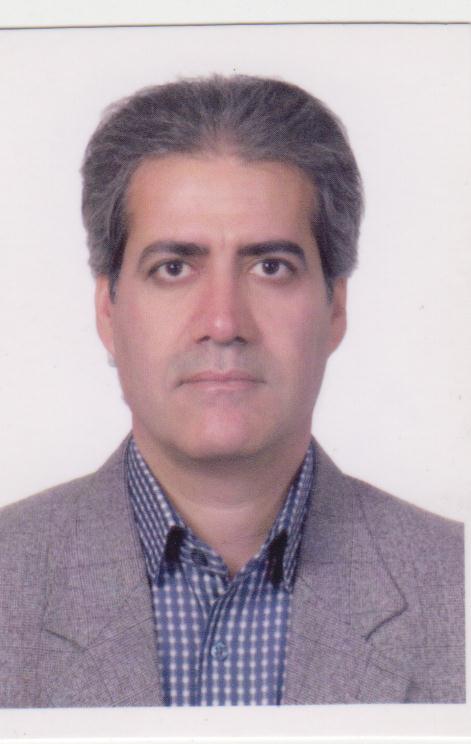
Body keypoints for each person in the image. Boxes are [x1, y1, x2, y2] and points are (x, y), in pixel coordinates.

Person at [0, 75, 464, 707]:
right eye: (173, 268)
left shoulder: (453, 583)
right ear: (108, 309)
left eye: (271, 267)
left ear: (335, 308)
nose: (222, 322)